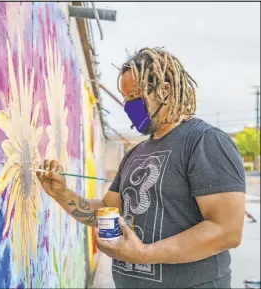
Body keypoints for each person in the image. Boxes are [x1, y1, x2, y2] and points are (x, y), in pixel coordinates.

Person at [36, 47, 246, 288]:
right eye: (126, 99)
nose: (128, 107)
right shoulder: (134, 153)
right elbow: (107, 211)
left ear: (165, 90)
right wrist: (62, 194)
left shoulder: (204, 141)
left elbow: (226, 230)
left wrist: (144, 253)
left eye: (135, 97)